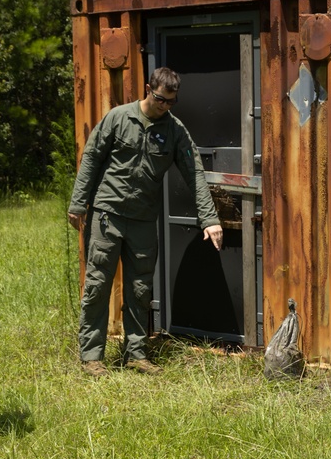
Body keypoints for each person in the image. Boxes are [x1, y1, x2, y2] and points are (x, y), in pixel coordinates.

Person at [68, 67, 222, 377]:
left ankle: (135, 354)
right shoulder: (118, 118)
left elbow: (194, 174)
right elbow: (93, 157)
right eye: (161, 100)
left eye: (172, 102)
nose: (165, 106)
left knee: (140, 288)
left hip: (142, 219)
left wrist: (209, 219)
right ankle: (91, 357)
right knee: (98, 285)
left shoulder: (175, 130)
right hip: (107, 214)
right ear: (148, 90)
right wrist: (77, 203)